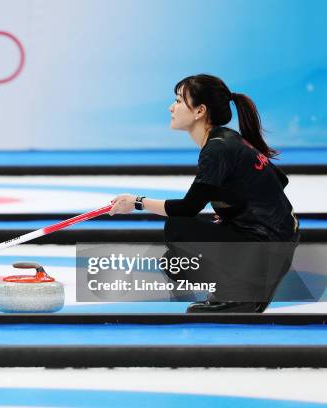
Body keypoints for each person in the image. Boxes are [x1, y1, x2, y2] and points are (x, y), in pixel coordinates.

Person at [109, 74, 299, 313]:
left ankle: (240, 296)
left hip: (265, 248)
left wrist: (136, 202)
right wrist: (234, 213)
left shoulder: (217, 149)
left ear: (200, 111)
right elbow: (279, 180)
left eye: (178, 101)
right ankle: (248, 291)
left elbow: (187, 208)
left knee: (178, 226)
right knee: (175, 264)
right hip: (276, 242)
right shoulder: (229, 139)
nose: (171, 107)